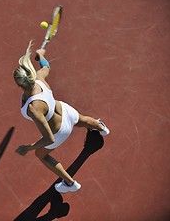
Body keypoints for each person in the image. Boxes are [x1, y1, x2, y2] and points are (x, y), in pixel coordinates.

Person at [13, 40, 109, 193]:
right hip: (65, 111)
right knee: (82, 120)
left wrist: (28, 148)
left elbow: (49, 138)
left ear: (19, 85)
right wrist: (41, 55)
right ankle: (101, 127)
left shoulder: (33, 108)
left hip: (59, 132)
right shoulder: (39, 77)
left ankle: (70, 183)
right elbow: (46, 66)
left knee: (41, 155)